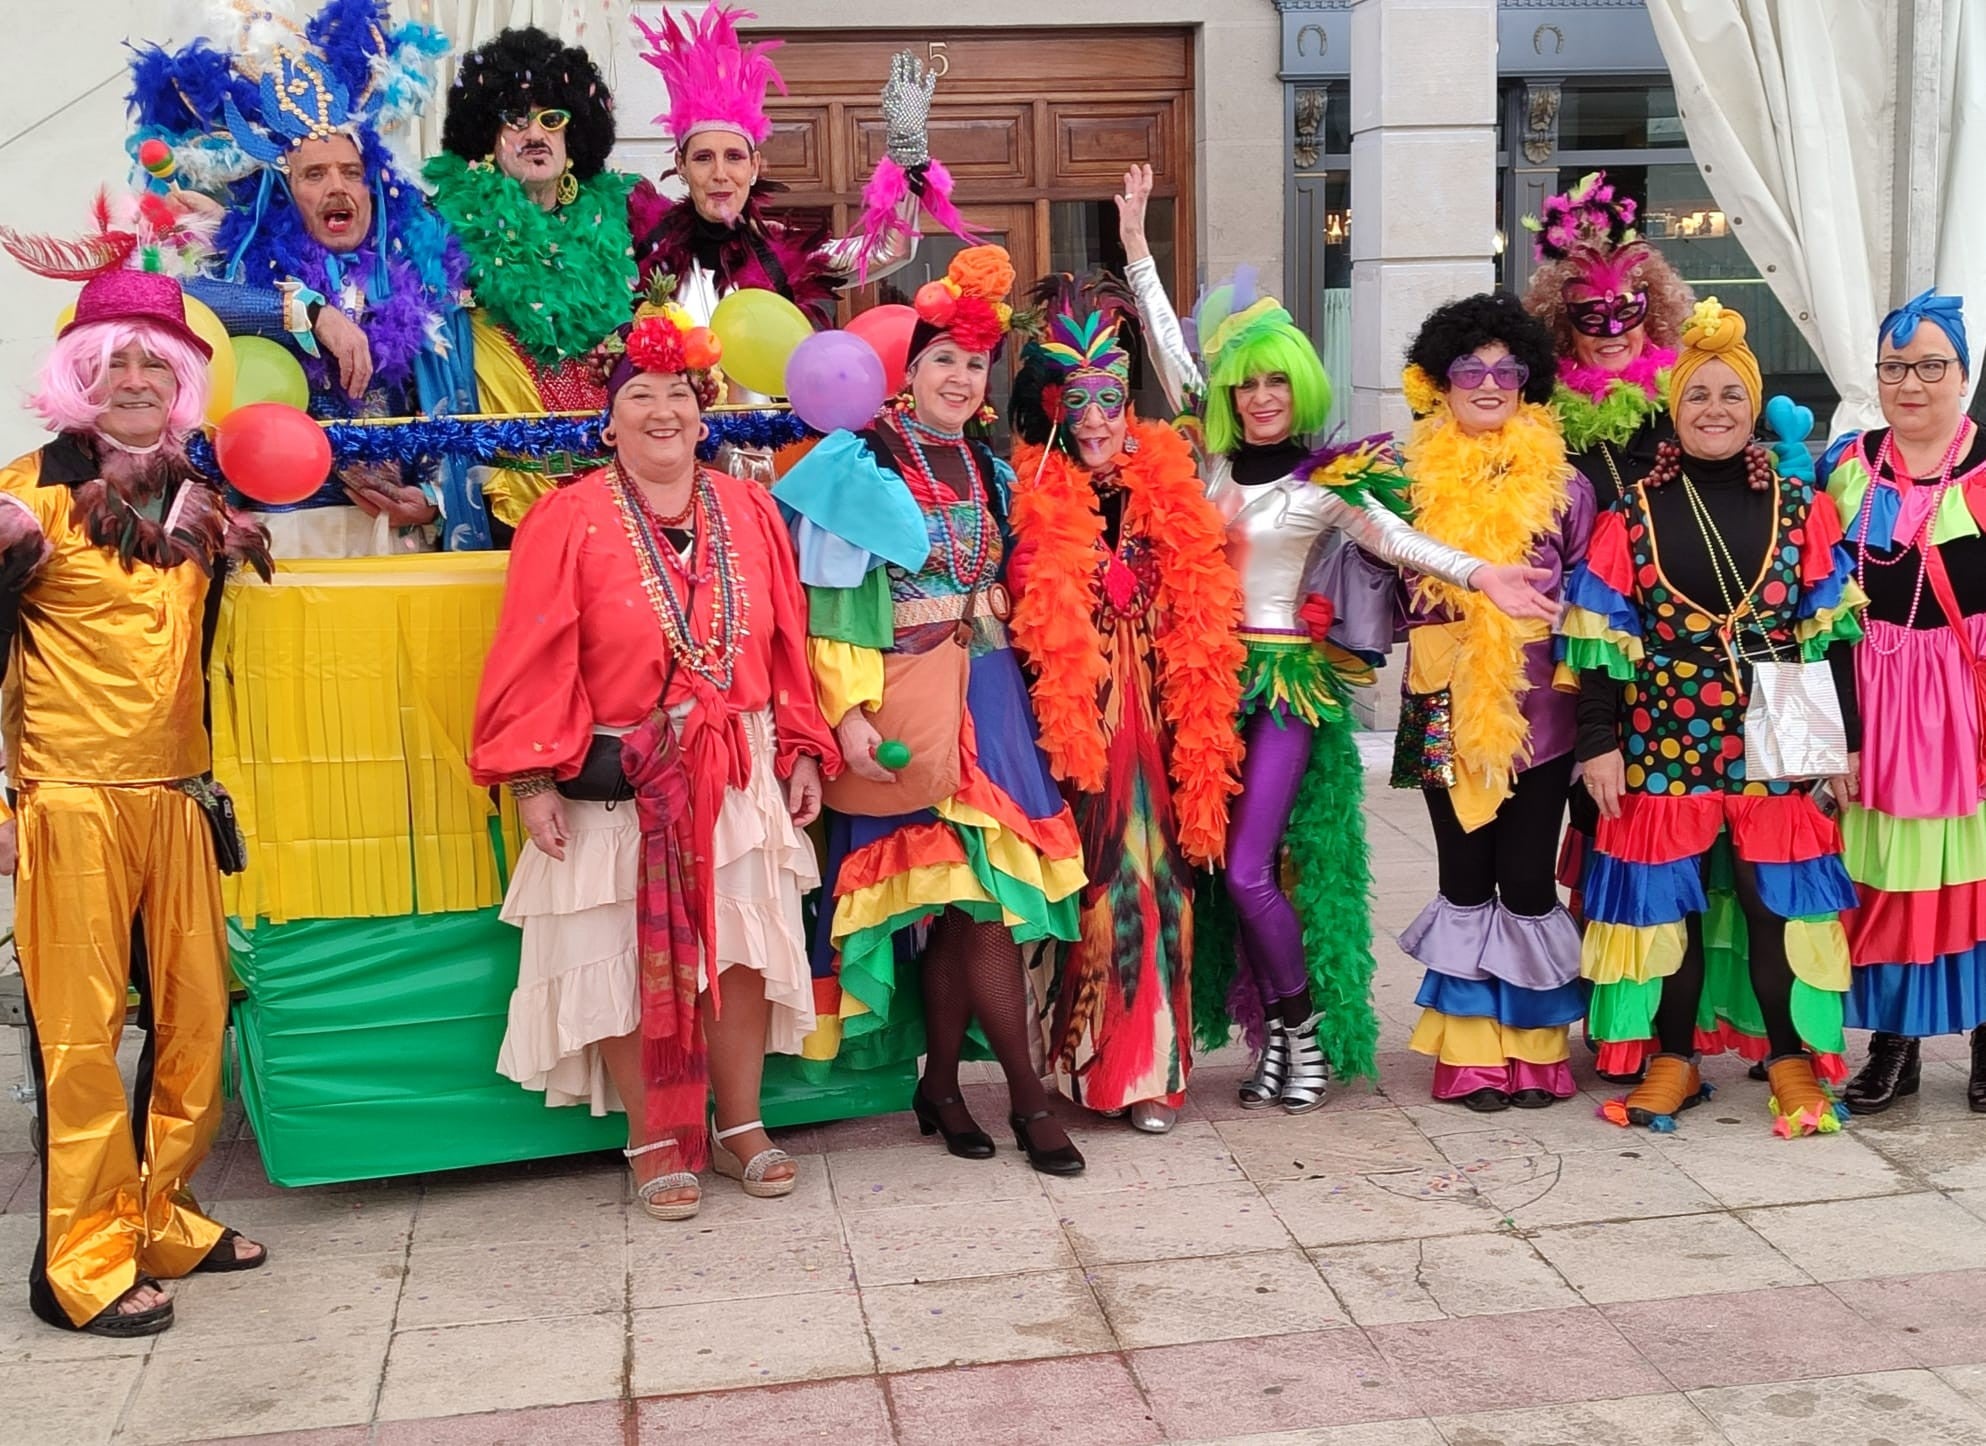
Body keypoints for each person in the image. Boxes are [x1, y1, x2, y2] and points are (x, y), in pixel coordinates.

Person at [1115, 163, 1559, 1113]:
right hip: (1204, 687)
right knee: (1214, 869)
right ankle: (1274, 1039)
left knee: (1249, 867)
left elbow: (1399, 539)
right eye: (1250, 381)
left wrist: (1485, 575)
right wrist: (1139, 254)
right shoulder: (1211, 456)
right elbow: (1168, 357)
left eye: (1279, 379)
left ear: (1300, 385)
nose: (1264, 395)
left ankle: (1304, 1031)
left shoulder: (1327, 480)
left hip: (1286, 689)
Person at [468, 310, 839, 1219]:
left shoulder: (750, 507)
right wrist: (530, 779)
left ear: (705, 415)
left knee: (743, 949)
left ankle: (738, 1125)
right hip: (622, 773)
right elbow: (531, 651)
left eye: (679, 394)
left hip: (739, 761)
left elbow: (789, 638)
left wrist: (798, 744)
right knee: (629, 953)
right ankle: (653, 1136)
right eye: (642, 395)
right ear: (609, 422)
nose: (663, 410)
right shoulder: (566, 518)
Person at [0, 234, 273, 1335]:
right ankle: (81, 1258)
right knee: (76, 1036)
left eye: (158, 366)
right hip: (66, 800)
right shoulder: (24, 504)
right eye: (117, 364)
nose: (138, 383)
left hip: (177, 798)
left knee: (197, 1018)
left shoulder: (199, 504)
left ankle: (162, 1213)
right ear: (81, 376)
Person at [772, 246, 1089, 1176]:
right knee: (975, 903)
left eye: (974, 362)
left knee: (968, 906)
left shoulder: (992, 468)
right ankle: (1027, 1100)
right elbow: (832, 599)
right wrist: (849, 713)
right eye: (942, 358)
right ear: (907, 373)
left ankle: (943, 1085)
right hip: (910, 695)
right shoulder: (859, 461)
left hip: (993, 698)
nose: (960, 375)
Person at [1560, 300, 1864, 1137]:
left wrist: (1849, 742)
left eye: (1732, 394)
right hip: (1662, 730)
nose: (1716, 410)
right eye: (1698, 396)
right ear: (1674, 408)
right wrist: (1597, 743)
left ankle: (1792, 1060)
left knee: (1779, 903)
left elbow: (1831, 639)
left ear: (1755, 404)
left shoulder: (1803, 513)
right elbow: (1599, 647)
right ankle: (1672, 1060)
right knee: (1669, 908)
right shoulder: (1631, 516)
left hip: (1784, 729)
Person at [1005, 274, 1245, 1134]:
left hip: (1168, 717)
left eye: (1112, 397)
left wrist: (1141, 256)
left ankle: (1153, 1074)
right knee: (1090, 887)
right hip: (1073, 722)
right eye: (1081, 403)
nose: (1099, 419)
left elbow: (1198, 388)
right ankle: (1079, 1064)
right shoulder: (1029, 492)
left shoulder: (1174, 484)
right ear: (1055, 409)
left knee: (1163, 889)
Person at [128, 0, 481, 554]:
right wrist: (309, 313)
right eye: (315, 174)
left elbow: (452, 403)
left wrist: (434, 498)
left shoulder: (419, 274)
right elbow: (175, 302)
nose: (337, 187)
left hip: (394, 536)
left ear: (374, 187)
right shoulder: (242, 260)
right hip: (278, 533)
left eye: (350, 172)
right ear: (286, 193)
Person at [1393, 294, 1594, 1112]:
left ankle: (1535, 1048)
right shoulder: (1401, 479)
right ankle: (1472, 1052)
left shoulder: (1567, 485)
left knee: (1528, 879)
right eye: (1468, 369)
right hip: (1437, 701)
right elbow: (1368, 573)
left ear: (1526, 380)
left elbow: (1590, 601)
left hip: (1542, 708)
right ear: (1440, 382)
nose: (1486, 382)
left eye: (1503, 369)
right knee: (1464, 874)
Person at [629, 5, 970, 480]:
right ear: (682, 167)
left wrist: (907, 157)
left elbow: (889, 249)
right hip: (661, 461)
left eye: (733, 157)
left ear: (755, 167)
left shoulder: (783, 256)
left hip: (763, 472)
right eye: (704, 158)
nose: (720, 174)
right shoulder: (644, 249)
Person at [1824, 291, 1986, 1114]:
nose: (1912, 383)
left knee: (1973, 875)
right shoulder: (1845, 467)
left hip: (1965, 706)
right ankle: (1897, 1043)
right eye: (1895, 368)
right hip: (1871, 705)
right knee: (1884, 876)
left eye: (1932, 366)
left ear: (1964, 373)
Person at [425, 28, 642, 541]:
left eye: (552, 119)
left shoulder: (615, 228)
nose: (534, 134)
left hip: (608, 491)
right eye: (514, 120)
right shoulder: (445, 230)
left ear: (574, 137)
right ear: (486, 137)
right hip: (502, 494)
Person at [1523, 171, 1694, 509]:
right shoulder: (1542, 418)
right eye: (1591, 317)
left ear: (1652, 315)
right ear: (1564, 329)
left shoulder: (1689, 398)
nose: (1612, 330)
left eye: (1627, 311)